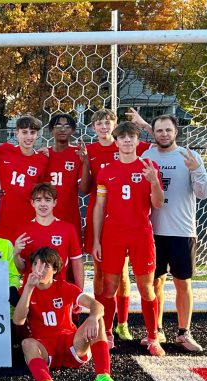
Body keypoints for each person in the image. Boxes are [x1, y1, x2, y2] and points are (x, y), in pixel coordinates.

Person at [13, 247, 124, 381]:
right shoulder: (26, 290)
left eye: (46, 265)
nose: (40, 269)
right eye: (36, 264)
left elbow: (97, 305)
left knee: (97, 318)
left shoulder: (65, 287)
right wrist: (29, 288)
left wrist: (92, 316)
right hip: (45, 347)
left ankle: (103, 378)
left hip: (71, 344)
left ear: (55, 269)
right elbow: (18, 320)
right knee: (27, 344)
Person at [92, 122, 165, 356]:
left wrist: (154, 181)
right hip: (113, 234)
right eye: (121, 137)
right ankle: (108, 333)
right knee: (109, 286)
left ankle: (153, 337)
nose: (126, 141)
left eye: (131, 137)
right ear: (116, 141)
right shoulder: (107, 171)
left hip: (141, 233)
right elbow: (99, 207)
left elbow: (157, 203)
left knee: (146, 287)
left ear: (137, 140)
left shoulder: (149, 166)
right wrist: (95, 240)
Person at [142, 114, 207, 351]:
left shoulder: (189, 157)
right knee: (155, 282)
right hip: (152, 232)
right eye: (159, 130)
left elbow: (203, 193)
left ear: (176, 132)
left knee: (183, 283)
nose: (164, 134)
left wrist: (197, 170)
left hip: (182, 231)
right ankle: (157, 330)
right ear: (153, 133)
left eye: (168, 130)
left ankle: (184, 332)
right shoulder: (146, 156)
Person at [84, 109, 151, 342]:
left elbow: (160, 141)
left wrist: (143, 124)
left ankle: (122, 323)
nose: (104, 127)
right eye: (99, 123)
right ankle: (100, 321)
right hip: (100, 216)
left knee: (122, 274)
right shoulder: (88, 150)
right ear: (93, 127)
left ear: (115, 127)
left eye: (108, 123)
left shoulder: (128, 143)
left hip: (128, 220)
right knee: (100, 274)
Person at [0, 116, 50, 244]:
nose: (29, 137)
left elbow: (43, 191)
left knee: (26, 259)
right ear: (16, 133)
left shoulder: (42, 160)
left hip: (29, 217)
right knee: (3, 260)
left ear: (37, 135)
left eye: (33, 132)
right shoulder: (4, 150)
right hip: (4, 217)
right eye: (24, 132)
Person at [14, 183, 83, 288]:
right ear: (32, 203)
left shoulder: (68, 229)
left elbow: (77, 263)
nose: (43, 204)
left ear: (55, 202)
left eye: (47, 200)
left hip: (59, 293)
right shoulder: (23, 231)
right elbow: (21, 269)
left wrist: (80, 292)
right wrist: (16, 254)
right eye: (38, 200)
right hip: (32, 293)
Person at [45, 113, 90, 243]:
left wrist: (86, 163)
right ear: (51, 130)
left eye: (67, 126)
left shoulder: (78, 154)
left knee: (71, 259)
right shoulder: (43, 154)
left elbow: (85, 189)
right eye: (58, 125)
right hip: (45, 217)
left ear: (73, 130)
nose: (62, 129)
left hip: (70, 217)